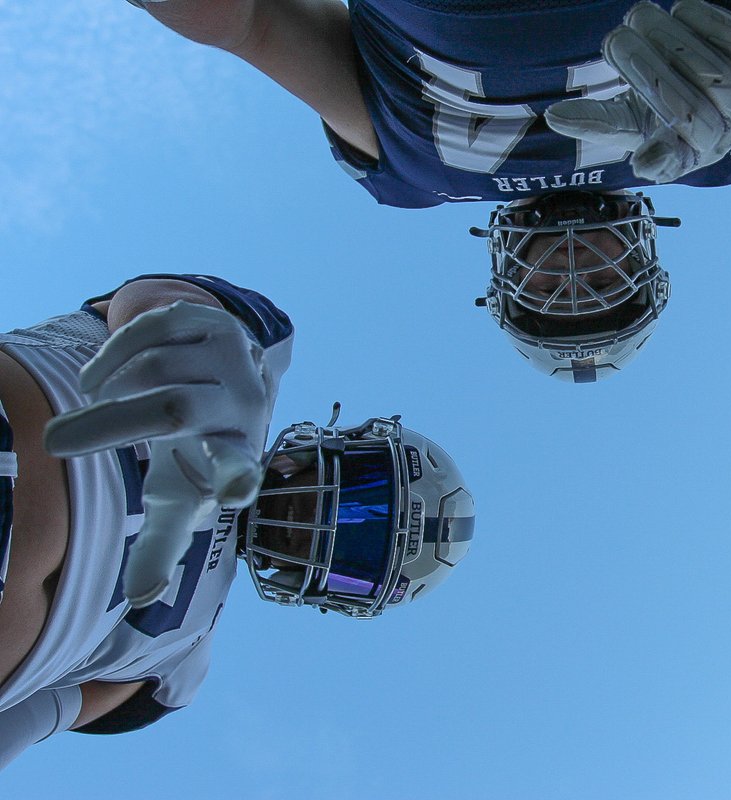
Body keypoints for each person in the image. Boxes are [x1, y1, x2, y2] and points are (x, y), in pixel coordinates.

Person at [126, 0, 731, 381]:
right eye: (598, 284)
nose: (571, 271)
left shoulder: (412, 176)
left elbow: (255, 22)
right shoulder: (707, 153)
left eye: (551, 293)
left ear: (505, 277)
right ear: (643, 260)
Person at [0, 275, 474, 767]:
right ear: (347, 450)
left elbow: (43, 715)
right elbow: (149, 299)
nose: (334, 525)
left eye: (361, 552)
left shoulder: (178, 667)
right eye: (362, 499)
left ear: (340, 593)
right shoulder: (259, 355)